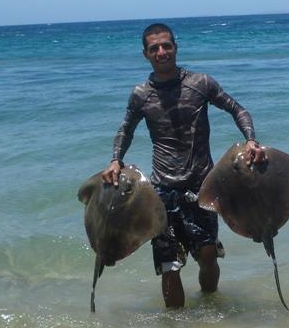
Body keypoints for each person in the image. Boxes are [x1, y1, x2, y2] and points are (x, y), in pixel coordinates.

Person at [101, 23, 266, 308]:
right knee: (169, 266)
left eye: (166, 45)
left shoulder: (200, 83)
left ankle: (210, 305)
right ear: (146, 55)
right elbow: (125, 130)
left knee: (208, 255)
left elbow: (237, 109)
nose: (161, 52)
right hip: (162, 191)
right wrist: (115, 160)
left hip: (202, 186)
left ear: (175, 47)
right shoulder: (141, 94)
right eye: (154, 48)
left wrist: (251, 140)